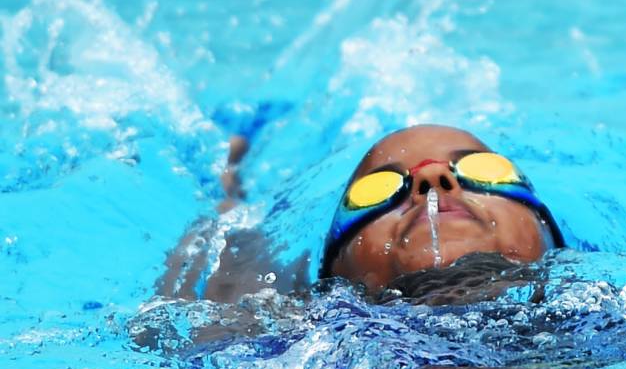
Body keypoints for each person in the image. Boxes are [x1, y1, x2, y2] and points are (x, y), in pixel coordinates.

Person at [156, 124, 565, 302]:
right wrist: (229, 195)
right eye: (381, 188)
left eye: (482, 171)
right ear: (338, 268)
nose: (434, 176)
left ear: (549, 234)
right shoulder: (290, 326)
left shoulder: (618, 306)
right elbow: (222, 275)